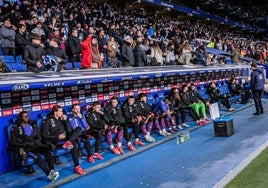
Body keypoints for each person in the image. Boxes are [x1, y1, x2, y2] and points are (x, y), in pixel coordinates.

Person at [10, 111, 59, 182]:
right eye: (24, 116)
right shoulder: (16, 128)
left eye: (27, 116)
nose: (26, 117)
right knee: (37, 156)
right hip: (28, 148)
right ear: (20, 118)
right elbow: (13, 142)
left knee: (47, 150)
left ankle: (52, 171)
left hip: (36, 145)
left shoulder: (33, 124)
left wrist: (37, 142)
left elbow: (39, 135)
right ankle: (49, 175)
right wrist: (25, 144)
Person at [41, 105, 86, 175]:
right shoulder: (48, 121)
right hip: (55, 141)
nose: (62, 113)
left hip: (64, 140)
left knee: (78, 130)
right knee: (73, 143)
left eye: (62, 111)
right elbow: (44, 135)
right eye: (60, 111)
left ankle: (77, 166)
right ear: (55, 112)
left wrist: (65, 121)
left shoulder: (61, 119)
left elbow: (69, 130)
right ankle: (69, 142)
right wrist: (57, 137)